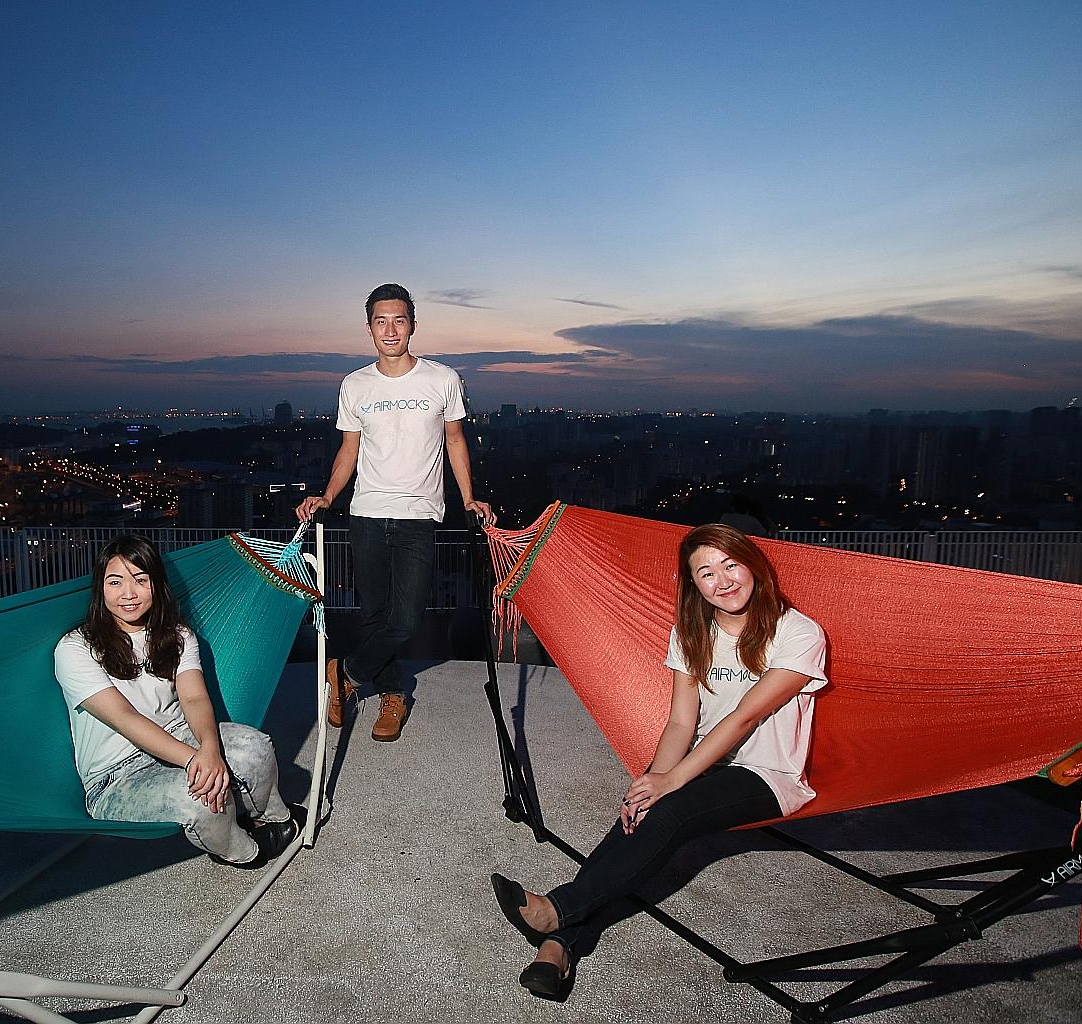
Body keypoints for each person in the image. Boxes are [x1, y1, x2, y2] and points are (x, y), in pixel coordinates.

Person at [488, 523, 827, 999]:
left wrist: (671, 783)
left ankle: (557, 911)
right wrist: (650, 780)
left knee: (671, 808)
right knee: (640, 817)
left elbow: (745, 718)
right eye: (706, 573)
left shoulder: (798, 631)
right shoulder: (692, 633)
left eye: (730, 564)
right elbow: (679, 725)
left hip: (768, 775)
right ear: (694, 585)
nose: (723, 580)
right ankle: (560, 946)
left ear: (753, 565)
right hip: (703, 763)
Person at [296, 283, 495, 742]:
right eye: (381, 321)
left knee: (404, 620)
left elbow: (455, 441)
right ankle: (391, 695)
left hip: (419, 515)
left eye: (399, 320)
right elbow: (349, 451)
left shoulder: (442, 379)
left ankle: (344, 675)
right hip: (365, 513)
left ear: (413, 326)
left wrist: (467, 497)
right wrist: (328, 496)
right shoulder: (355, 384)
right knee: (373, 615)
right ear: (369, 329)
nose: (390, 329)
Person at [53, 534, 299, 868]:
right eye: (115, 581)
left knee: (255, 745)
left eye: (141, 580)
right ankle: (245, 852)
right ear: (100, 587)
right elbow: (125, 718)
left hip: (178, 736)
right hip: (115, 776)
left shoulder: (177, 635)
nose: (128, 594)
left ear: (156, 584)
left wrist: (209, 749)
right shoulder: (75, 648)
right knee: (199, 800)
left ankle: (276, 817)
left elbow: (195, 697)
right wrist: (195, 761)